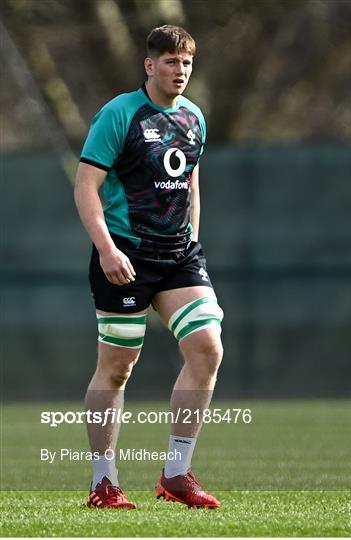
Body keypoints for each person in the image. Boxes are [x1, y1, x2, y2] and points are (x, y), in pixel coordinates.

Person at [74, 25, 224, 510]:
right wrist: (106, 249)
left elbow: (191, 186)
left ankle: (177, 473)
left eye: (186, 64)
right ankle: (104, 482)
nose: (180, 72)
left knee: (207, 348)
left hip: (179, 254)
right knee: (117, 368)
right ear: (149, 65)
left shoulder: (194, 116)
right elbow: (85, 187)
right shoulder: (120, 114)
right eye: (170, 62)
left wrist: (193, 244)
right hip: (125, 253)